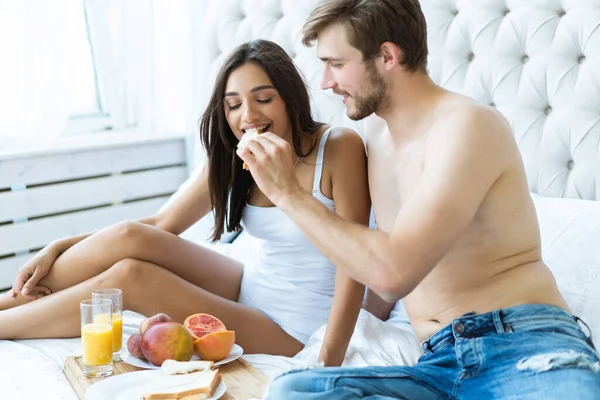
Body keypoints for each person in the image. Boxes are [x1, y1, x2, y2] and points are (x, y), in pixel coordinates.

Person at [235, 1, 600, 398]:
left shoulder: (467, 126)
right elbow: (360, 256)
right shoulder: (370, 135)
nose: (325, 82)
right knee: (294, 390)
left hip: (522, 343)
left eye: (336, 64)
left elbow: (393, 273)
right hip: (437, 363)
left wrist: (288, 193)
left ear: (388, 56)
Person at [0, 39, 370, 366]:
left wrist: (327, 360)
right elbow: (162, 226)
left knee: (131, 277)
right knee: (132, 236)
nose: (248, 116)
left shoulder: (338, 147)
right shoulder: (238, 154)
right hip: (253, 284)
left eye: (263, 99)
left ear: (289, 97)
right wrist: (58, 246)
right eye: (233, 105)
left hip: (297, 325)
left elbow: (355, 265)